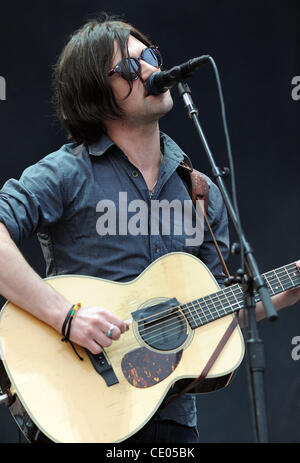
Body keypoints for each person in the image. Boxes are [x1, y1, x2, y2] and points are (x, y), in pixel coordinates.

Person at [0, 14, 299, 444]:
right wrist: (66, 318)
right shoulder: (66, 173)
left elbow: (213, 310)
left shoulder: (201, 192)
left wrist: (283, 289)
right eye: (129, 66)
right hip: (84, 411)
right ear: (94, 92)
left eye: (151, 56)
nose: (151, 70)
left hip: (172, 419)